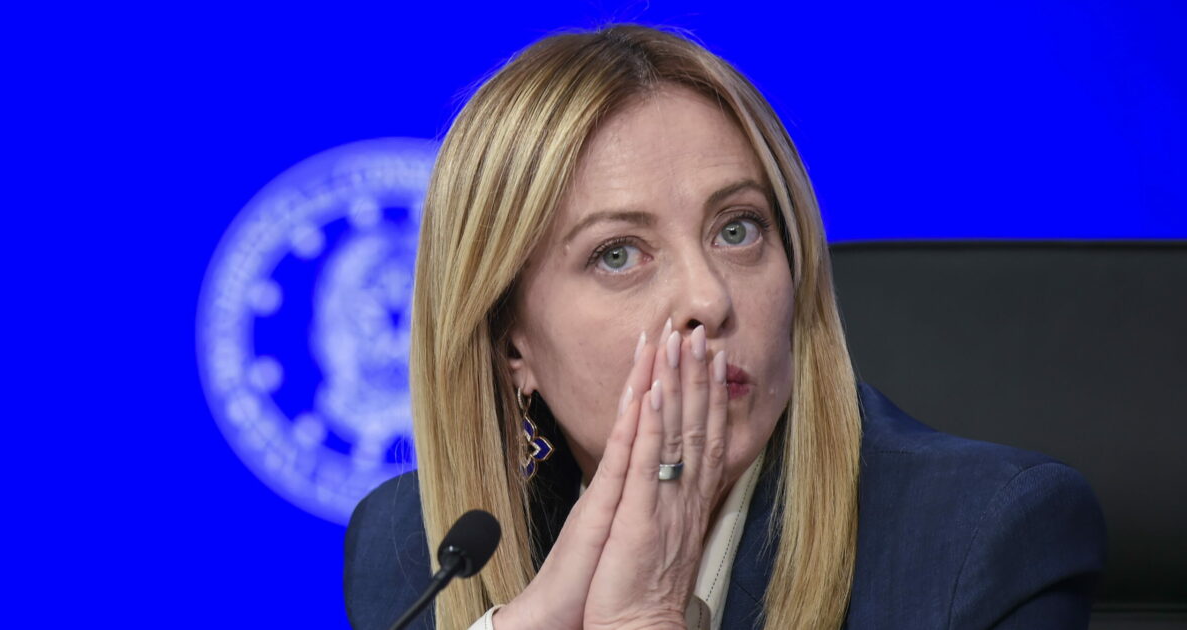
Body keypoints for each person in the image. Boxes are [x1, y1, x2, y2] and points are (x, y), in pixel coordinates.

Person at [343, 24, 1106, 630]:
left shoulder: (980, 541)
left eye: (737, 230)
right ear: (513, 343)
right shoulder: (415, 551)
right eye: (618, 254)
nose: (708, 299)